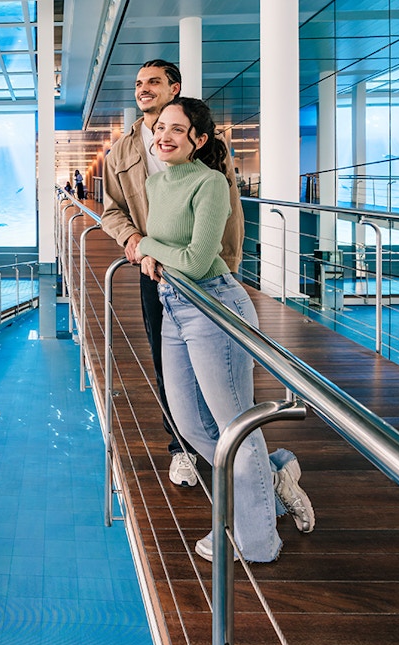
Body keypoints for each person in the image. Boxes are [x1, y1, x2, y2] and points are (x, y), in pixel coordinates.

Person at [134, 97, 313, 563]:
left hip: (214, 304)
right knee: (191, 424)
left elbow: (195, 260)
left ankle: (256, 541)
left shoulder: (211, 183)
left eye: (177, 129)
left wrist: (146, 245)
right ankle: (271, 477)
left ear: (199, 139)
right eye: (160, 128)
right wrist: (150, 250)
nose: (164, 136)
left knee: (237, 427)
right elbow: (169, 253)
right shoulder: (156, 183)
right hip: (173, 305)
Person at [101, 59, 244, 489]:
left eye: (154, 82)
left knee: (222, 369)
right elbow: (112, 210)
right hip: (156, 273)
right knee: (170, 366)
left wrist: (231, 262)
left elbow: (229, 206)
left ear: (173, 88)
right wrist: (132, 242)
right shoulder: (123, 152)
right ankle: (182, 447)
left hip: (206, 272)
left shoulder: (202, 141)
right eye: (139, 82)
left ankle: (241, 456)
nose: (143, 89)